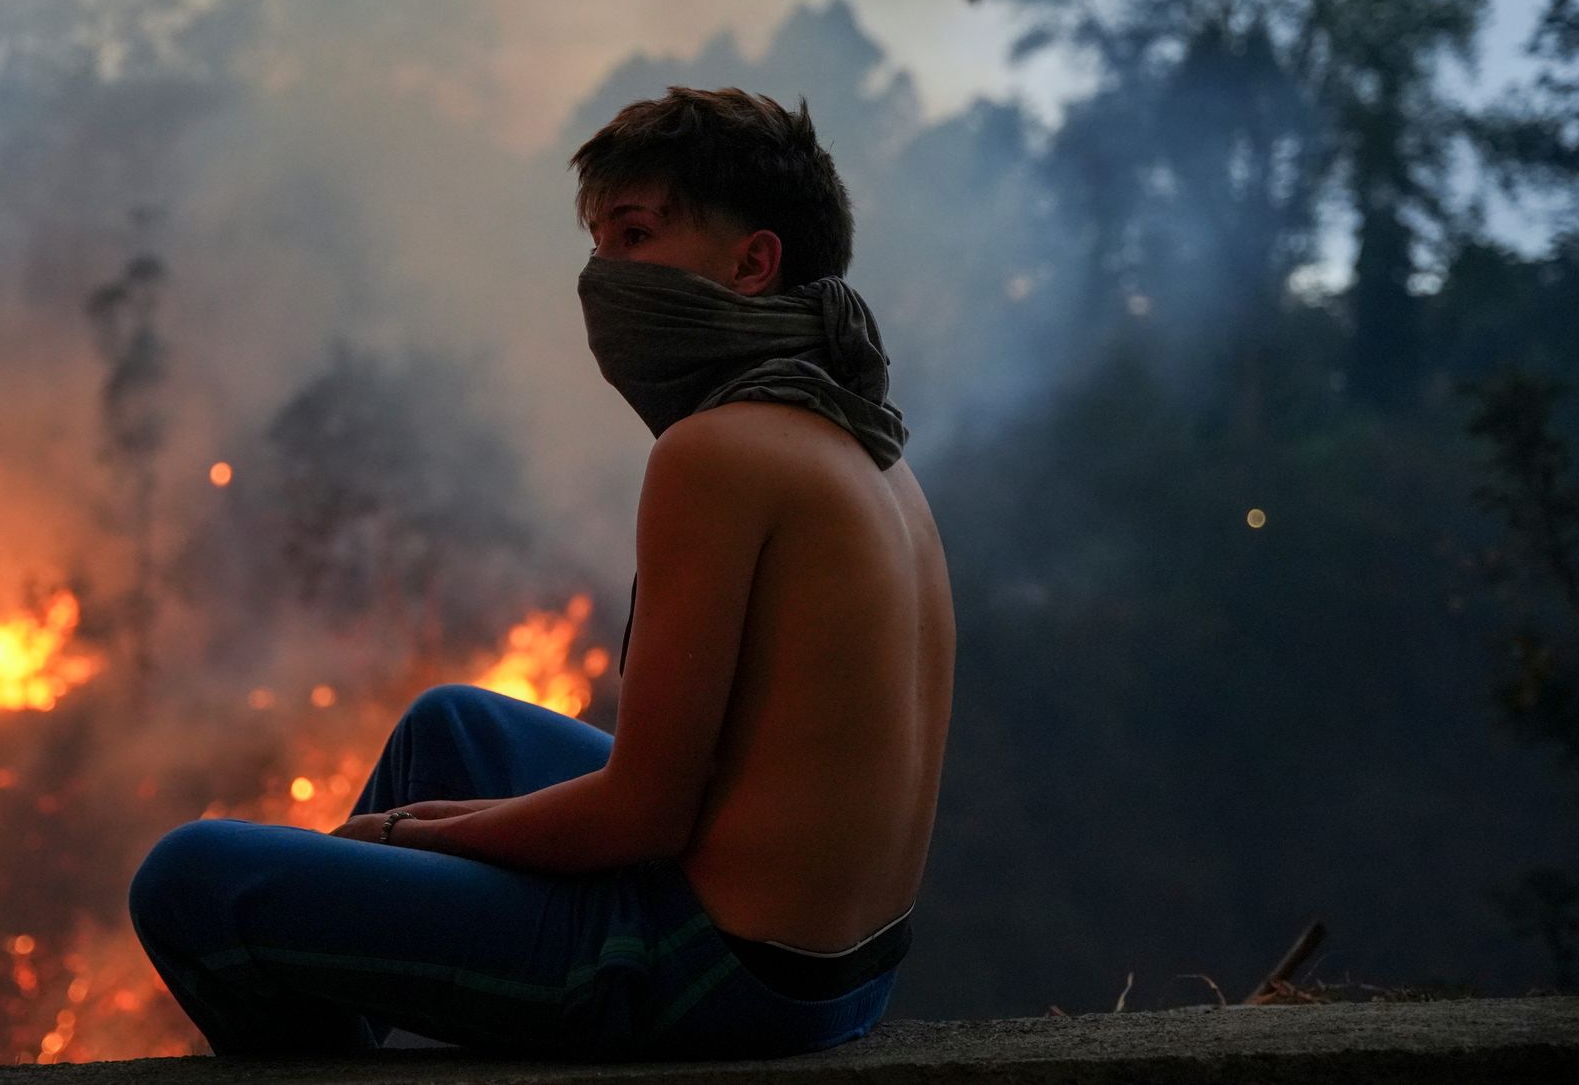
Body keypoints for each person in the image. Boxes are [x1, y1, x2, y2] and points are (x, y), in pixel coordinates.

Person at [127, 86, 957, 1060]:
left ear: (751, 264)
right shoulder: (866, 449)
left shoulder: (714, 454)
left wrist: (405, 838)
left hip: (718, 974)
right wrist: (433, 825)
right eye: (598, 241)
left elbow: (644, 814)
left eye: (634, 235)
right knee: (454, 726)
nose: (602, 277)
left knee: (189, 880)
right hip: (839, 971)